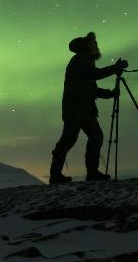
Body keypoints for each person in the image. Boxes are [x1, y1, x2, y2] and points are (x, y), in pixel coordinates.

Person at [49, 32, 127, 184]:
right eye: (93, 44)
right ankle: (56, 175)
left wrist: (110, 94)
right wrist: (114, 68)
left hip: (85, 109)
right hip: (75, 110)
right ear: (87, 46)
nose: (96, 46)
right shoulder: (79, 61)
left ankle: (92, 172)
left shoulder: (85, 61)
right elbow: (94, 75)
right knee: (68, 141)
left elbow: (91, 88)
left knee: (95, 137)